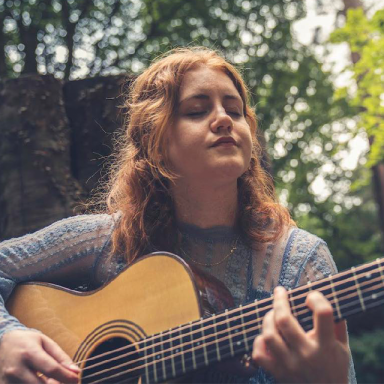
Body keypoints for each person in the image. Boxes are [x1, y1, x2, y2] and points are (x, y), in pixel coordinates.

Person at [0, 47, 355, 384]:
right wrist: (7, 337)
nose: (222, 119)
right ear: (156, 141)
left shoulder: (300, 261)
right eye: (197, 111)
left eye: (234, 110)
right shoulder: (107, 240)